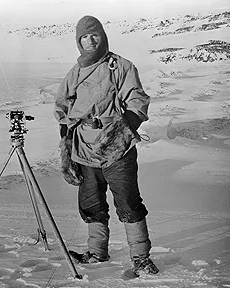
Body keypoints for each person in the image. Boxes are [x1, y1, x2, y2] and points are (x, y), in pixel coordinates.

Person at [54, 15, 159, 276]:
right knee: (91, 203)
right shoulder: (75, 72)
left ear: (103, 36)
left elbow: (137, 102)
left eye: (94, 35)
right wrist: (67, 136)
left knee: (128, 202)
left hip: (116, 148)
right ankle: (96, 252)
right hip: (84, 149)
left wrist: (123, 129)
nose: (90, 41)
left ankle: (141, 257)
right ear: (78, 41)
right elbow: (62, 108)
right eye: (84, 37)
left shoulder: (120, 66)